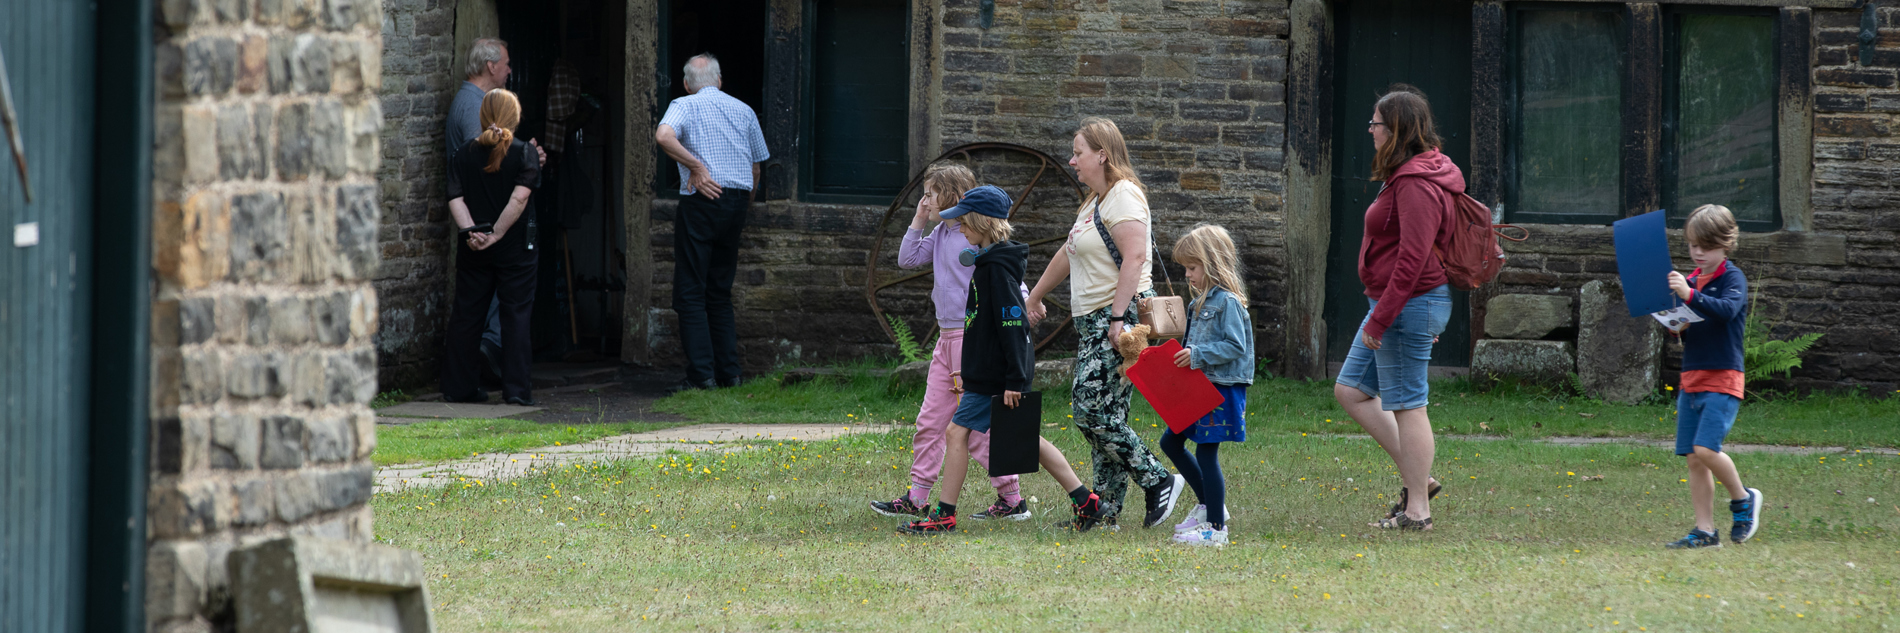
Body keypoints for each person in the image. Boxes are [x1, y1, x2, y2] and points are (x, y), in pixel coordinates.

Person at [898, 186, 1109, 534]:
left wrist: (1014, 380)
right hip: (991, 372)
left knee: (955, 432)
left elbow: (1014, 326)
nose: (960, 229)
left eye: (964, 222)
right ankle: (1086, 501)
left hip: (995, 376)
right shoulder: (989, 263)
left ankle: (944, 515)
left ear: (981, 223)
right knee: (1026, 440)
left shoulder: (995, 270)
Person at [1026, 117, 1185, 530]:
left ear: (1102, 154)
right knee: (1107, 413)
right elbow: (1069, 251)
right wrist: (1036, 294)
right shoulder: (1095, 202)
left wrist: (1116, 319)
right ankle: (1105, 511)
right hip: (1094, 321)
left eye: (1078, 152)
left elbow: (1134, 258)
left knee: (1090, 411)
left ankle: (1158, 479)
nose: (1072, 160)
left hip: (1118, 319)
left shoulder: (1124, 196)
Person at [869, 165, 1026, 522]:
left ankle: (1011, 497)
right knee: (930, 421)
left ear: (952, 195)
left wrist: (1028, 302)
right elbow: (907, 259)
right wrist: (919, 219)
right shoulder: (941, 231)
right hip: (945, 339)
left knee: (973, 427)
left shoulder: (973, 237)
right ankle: (917, 496)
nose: (925, 199)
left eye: (931, 193)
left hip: (968, 340)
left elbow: (1006, 278)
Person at [1333, 84, 1454, 531]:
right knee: (1351, 391)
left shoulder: (1416, 181)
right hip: (1396, 303)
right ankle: (1421, 480)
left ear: (1396, 129)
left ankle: (1417, 510)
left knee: (1408, 405)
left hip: (1405, 304)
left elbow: (1415, 257)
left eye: (1376, 124)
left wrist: (1382, 318)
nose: (1370, 130)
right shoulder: (1406, 173)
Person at [654, 53, 770, 393]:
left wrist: (697, 167)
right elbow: (757, 168)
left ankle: (701, 377)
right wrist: (741, 207)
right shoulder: (743, 109)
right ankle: (729, 374)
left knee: (690, 292)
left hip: (703, 200)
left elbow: (663, 136)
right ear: (719, 81)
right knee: (719, 292)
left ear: (687, 84)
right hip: (736, 201)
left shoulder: (684, 104)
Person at [1663, 204, 1762, 549]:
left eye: (1706, 246)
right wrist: (1676, 325)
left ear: (1726, 244)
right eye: (1692, 246)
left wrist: (1690, 295)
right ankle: (1705, 532)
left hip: (1724, 377)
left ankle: (1743, 498)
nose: (1698, 253)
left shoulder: (1732, 279)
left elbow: (1725, 311)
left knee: (1706, 448)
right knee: (1693, 457)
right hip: (1691, 378)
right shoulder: (1689, 281)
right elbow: (1687, 327)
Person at [448, 38, 544, 382]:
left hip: (474, 237)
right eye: (505, 63)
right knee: (515, 314)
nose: (509, 69)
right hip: (508, 239)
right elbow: (515, 195)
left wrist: (471, 231)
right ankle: (516, 388)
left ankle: (458, 385)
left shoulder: (464, 155)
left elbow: (455, 195)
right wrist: (495, 233)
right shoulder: (520, 153)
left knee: (466, 314)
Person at [1159, 224, 1254, 547]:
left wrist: (1197, 355)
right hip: (1199, 388)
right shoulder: (1197, 303)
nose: (1187, 274)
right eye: (1186, 268)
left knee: (1206, 452)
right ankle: (1208, 506)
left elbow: (1235, 345)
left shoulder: (1227, 303)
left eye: (1192, 267)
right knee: (1170, 442)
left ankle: (1216, 530)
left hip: (1220, 390)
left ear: (1212, 264)